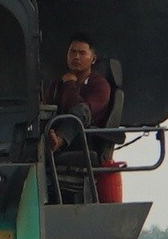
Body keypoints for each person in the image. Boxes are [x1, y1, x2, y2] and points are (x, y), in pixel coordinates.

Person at [47, 38, 127, 204]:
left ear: (93, 58)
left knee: (80, 112)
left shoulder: (100, 85)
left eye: (82, 53)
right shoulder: (56, 84)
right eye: (72, 52)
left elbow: (84, 112)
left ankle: (59, 141)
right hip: (51, 135)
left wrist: (70, 85)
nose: (76, 57)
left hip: (85, 141)